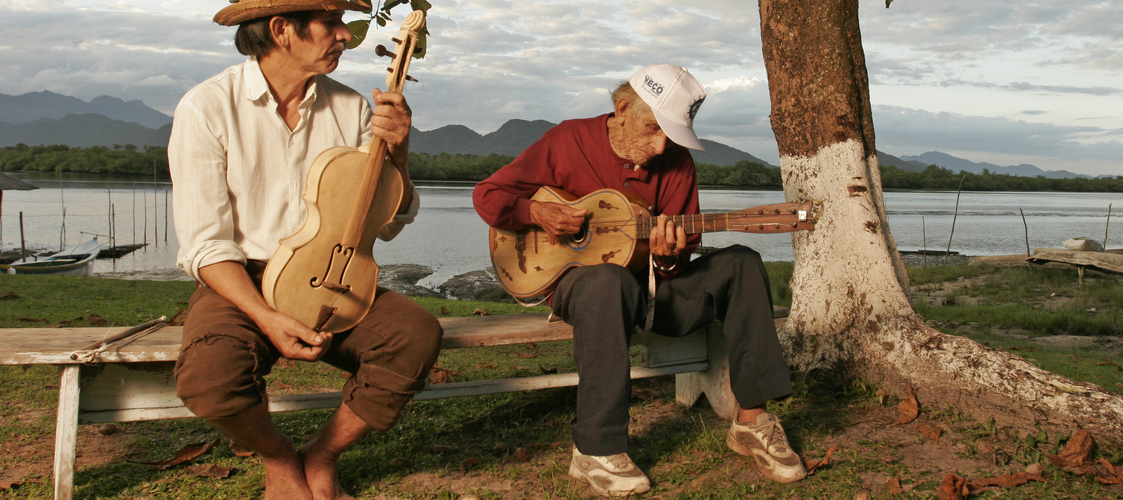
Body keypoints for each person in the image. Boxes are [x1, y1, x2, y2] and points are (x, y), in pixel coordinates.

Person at [472, 64, 805, 496]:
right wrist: (536, 212)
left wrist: (667, 260)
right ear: (621, 108)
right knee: (607, 280)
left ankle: (751, 420)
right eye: (652, 128)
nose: (660, 144)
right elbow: (487, 195)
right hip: (586, 288)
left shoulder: (677, 162)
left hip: (651, 290)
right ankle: (595, 448)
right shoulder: (567, 140)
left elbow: (678, 261)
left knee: (742, 262)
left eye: (670, 134)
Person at [168, 1, 442, 498]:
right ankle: (278, 459)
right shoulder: (206, 107)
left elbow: (390, 220)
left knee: (414, 335)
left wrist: (398, 153)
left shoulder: (353, 107)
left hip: (334, 271)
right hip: (243, 279)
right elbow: (207, 244)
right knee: (210, 378)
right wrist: (267, 317)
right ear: (281, 30)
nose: (345, 34)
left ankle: (322, 455)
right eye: (332, 23)